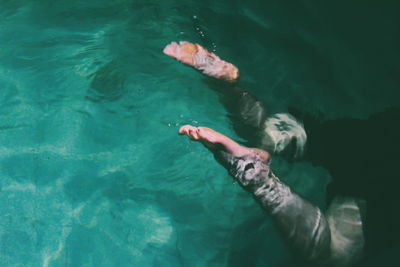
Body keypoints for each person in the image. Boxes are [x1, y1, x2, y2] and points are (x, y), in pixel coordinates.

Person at [163, 41, 396, 266]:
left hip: (378, 135)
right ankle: (257, 178)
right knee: (330, 256)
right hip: (385, 183)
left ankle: (228, 87)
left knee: (270, 134)